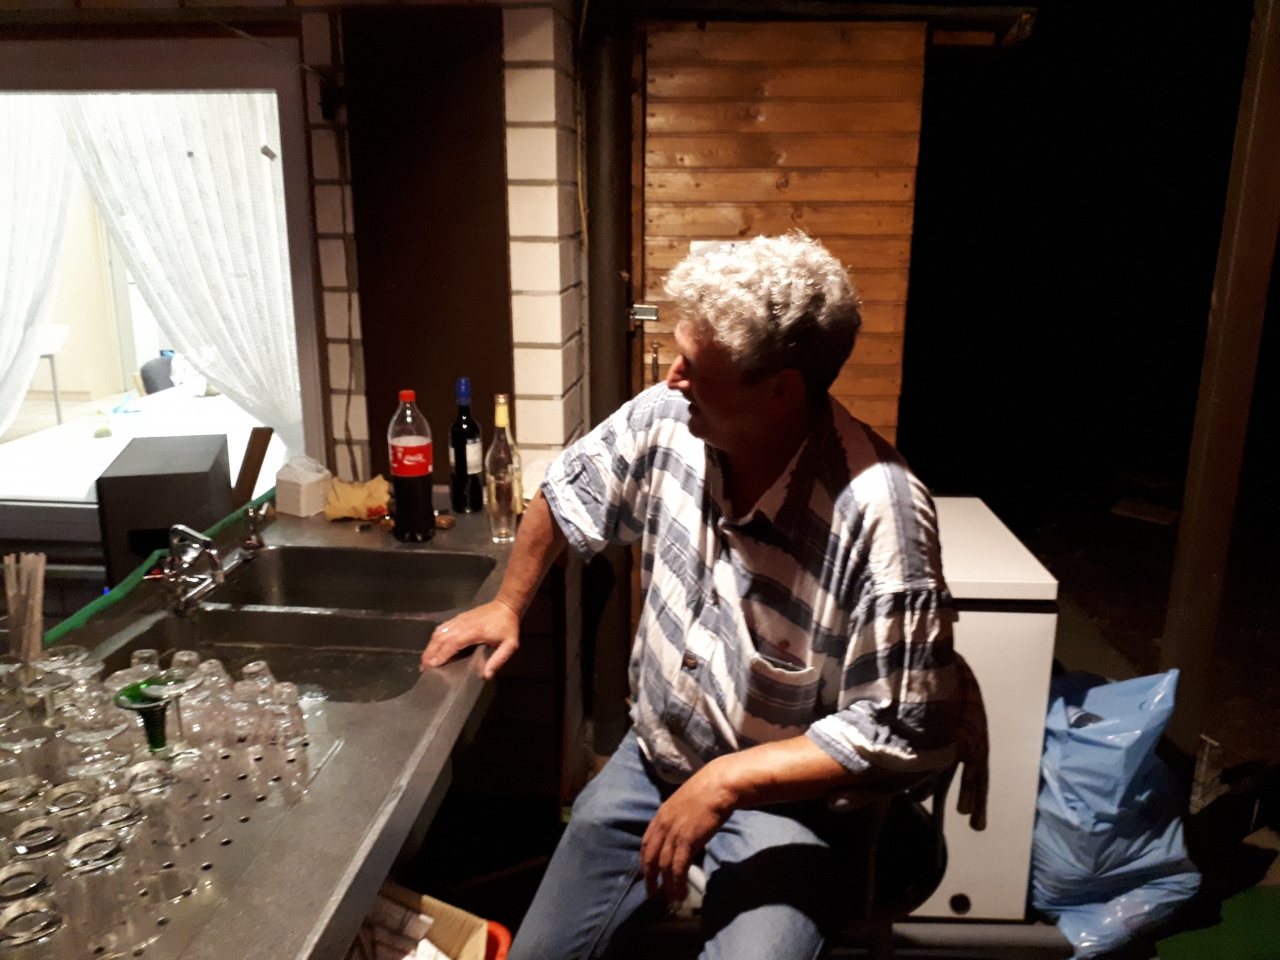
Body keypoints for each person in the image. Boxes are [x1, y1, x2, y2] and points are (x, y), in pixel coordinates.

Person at [421, 234, 982, 959]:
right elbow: (566, 490)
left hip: (789, 799)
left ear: (780, 390)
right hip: (655, 754)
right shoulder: (667, 416)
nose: (673, 376)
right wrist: (509, 603)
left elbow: (905, 729)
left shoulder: (882, 516)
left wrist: (723, 783)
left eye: (696, 366)